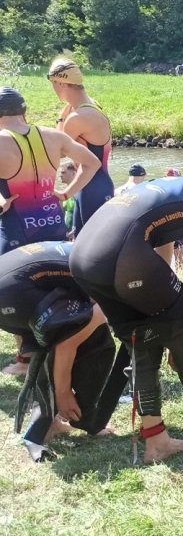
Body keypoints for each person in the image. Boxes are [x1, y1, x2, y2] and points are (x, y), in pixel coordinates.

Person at [69, 176, 183, 463]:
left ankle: (156, 440)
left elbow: (160, 254)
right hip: (122, 255)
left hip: (81, 259)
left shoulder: (181, 191)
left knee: (141, 338)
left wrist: (164, 318)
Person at [1, 86, 101, 376]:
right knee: (59, 287)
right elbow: (92, 163)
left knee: (16, 291)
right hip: (52, 224)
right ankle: (67, 349)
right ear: (24, 111)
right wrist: (67, 193)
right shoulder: (53, 136)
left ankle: (25, 360)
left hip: (17, 228)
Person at [1, 241, 118, 462]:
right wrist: (64, 392)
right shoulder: (106, 276)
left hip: (12, 287)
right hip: (17, 293)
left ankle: (49, 422)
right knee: (96, 338)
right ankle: (82, 418)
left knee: (55, 341)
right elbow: (67, 343)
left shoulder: (96, 253)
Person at [49, 58, 115, 233]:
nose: (53, 89)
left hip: (92, 188)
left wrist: (60, 119)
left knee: (93, 245)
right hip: (91, 185)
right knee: (80, 242)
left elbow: (59, 150)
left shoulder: (77, 117)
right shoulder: (92, 104)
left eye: (53, 84)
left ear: (61, 83)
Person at [58, 161, 76, 233]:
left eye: (63, 172)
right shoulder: (63, 194)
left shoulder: (80, 192)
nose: (60, 175)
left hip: (77, 233)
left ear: (73, 173)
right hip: (67, 234)